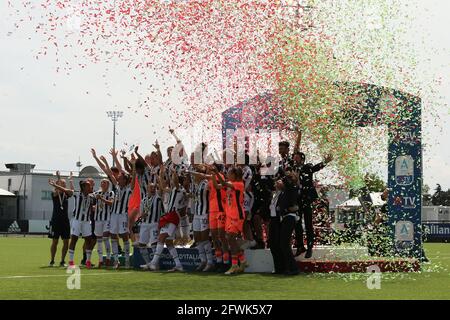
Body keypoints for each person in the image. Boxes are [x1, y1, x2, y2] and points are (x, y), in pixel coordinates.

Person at [292, 151, 333, 258]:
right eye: (294, 158)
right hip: (297, 199)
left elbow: (316, 168)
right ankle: (300, 246)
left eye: (296, 158)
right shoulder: (292, 169)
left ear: (302, 159)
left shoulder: (307, 167)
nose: (294, 160)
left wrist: (325, 162)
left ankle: (309, 247)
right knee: (297, 223)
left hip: (307, 198)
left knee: (308, 223)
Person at [214, 166, 248, 275]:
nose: (227, 175)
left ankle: (235, 265)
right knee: (229, 239)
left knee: (230, 238)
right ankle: (242, 260)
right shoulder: (230, 184)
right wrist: (213, 176)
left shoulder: (239, 184)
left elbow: (223, 184)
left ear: (234, 175)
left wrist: (216, 172)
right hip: (229, 215)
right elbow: (217, 186)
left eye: (229, 173)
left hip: (237, 216)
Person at [268, 172, 300, 275]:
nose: (278, 182)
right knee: (282, 244)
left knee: (284, 244)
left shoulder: (292, 188)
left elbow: (289, 185)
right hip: (285, 218)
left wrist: (287, 177)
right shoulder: (283, 192)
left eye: (282, 180)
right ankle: (286, 268)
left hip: (289, 217)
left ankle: (293, 268)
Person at [48, 171, 72, 267]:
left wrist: (68, 181)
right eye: (63, 184)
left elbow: (70, 191)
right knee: (55, 241)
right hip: (56, 220)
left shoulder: (66, 194)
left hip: (65, 221)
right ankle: (52, 260)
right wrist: (58, 179)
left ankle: (62, 261)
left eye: (65, 184)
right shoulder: (54, 194)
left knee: (66, 241)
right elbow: (57, 191)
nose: (64, 185)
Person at [109, 172, 133, 269]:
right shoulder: (117, 187)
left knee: (124, 236)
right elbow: (110, 174)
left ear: (125, 180)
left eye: (120, 178)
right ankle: (116, 260)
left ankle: (127, 260)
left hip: (123, 215)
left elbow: (134, 178)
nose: (118, 179)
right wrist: (107, 160)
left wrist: (133, 166)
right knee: (113, 236)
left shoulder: (129, 189)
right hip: (114, 215)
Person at [93, 179, 114, 268]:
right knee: (99, 240)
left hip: (107, 219)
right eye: (102, 182)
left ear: (108, 185)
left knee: (105, 238)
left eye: (104, 182)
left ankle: (108, 258)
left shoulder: (111, 193)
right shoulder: (97, 193)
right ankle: (101, 260)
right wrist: (94, 207)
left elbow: (111, 203)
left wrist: (101, 199)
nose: (102, 184)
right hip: (98, 219)